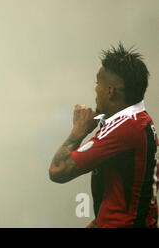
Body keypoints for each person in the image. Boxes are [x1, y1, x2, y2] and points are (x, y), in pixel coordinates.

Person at [49, 43, 158, 228]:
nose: (95, 90)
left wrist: (78, 132)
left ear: (110, 91)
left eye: (97, 83)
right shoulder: (140, 120)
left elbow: (58, 171)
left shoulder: (123, 129)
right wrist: (98, 221)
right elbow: (130, 188)